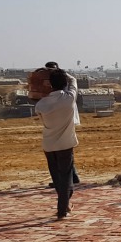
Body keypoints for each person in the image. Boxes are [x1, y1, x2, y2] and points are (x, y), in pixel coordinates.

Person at [35, 68, 79, 220]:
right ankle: (63, 209)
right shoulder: (68, 99)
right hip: (65, 144)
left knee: (57, 177)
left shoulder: (41, 105)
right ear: (64, 83)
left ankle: (65, 204)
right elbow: (74, 81)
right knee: (66, 177)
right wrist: (63, 73)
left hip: (48, 144)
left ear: (50, 85)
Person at [44, 61, 81, 187]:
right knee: (65, 149)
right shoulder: (51, 82)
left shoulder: (63, 81)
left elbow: (72, 83)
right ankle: (71, 177)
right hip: (56, 117)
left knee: (64, 148)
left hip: (66, 116)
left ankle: (66, 180)